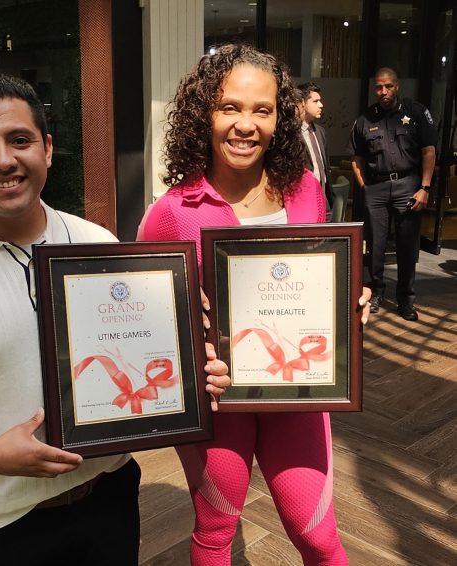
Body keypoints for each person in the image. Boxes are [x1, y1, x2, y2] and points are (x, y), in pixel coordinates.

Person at [0, 73, 229, 566]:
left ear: (47, 149)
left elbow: (146, 349)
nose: (4, 160)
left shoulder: (97, 244)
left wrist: (193, 373)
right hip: (0, 522)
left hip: (110, 489)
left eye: (20, 140)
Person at [138, 44, 370, 565]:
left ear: (278, 119)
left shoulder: (305, 191)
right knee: (216, 528)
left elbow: (324, 278)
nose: (245, 125)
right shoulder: (173, 211)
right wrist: (181, 324)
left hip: (300, 393)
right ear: (206, 114)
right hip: (218, 403)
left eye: (261, 110)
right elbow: (147, 311)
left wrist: (351, 302)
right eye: (230, 107)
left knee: (316, 535)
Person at [347, 67, 437, 321]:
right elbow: (356, 157)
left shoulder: (416, 112)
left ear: (397, 86)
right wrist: (365, 188)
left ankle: (405, 299)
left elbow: (428, 151)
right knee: (375, 245)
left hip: (408, 186)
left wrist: (425, 188)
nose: (383, 91)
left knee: (408, 246)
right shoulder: (365, 118)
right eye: (378, 87)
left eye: (388, 86)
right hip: (376, 188)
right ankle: (376, 292)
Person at [297, 82, 335, 210]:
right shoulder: (292, 133)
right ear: (302, 103)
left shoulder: (320, 131)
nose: (321, 105)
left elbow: (326, 166)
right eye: (315, 101)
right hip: (303, 203)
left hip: (324, 200)